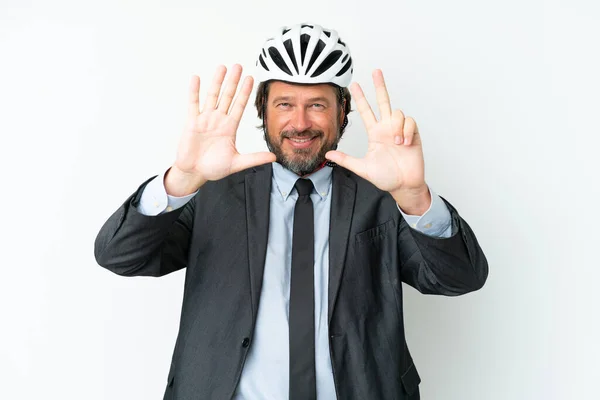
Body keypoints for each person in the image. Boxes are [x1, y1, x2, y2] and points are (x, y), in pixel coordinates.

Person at [94, 23, 488, 400]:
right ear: (263, 109)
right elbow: (120, 256)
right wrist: (180, 178)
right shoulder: (211, 193)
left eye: (317, 104)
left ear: (342, 110)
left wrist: (415, 196)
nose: (300, 124)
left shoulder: (382, 197)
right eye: (285, 104)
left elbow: (460, 279)